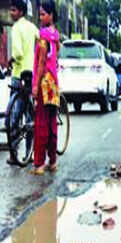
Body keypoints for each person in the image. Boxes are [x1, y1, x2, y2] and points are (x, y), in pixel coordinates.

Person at [6, 0, 39, 165]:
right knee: (29, 115)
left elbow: (17, 52)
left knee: (14, 115)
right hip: (31, 74)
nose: (11, 13)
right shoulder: (32, 27)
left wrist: (11, 59)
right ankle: (29, 153)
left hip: (19, 74)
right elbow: (40, 41)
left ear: (20, 12)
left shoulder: (16, 28)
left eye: (13, 10)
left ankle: (13, 155)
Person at [31, 0, 60, 175]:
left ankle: (39, 164)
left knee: (41, 123)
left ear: (50, 15)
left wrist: (35, 85)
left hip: (44, 83)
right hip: (54, 84)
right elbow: (55, 56)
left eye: (43, 14)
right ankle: (53, 161)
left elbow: (41, 62)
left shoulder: (43, 35)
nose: (41, 17)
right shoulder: (55, 34)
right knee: (52, 123)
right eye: (40, 14)